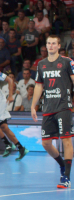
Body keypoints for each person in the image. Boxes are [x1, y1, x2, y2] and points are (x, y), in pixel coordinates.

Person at [32, 35, 74, 189]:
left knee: (66, 140)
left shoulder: (67, 62)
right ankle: (62, 165)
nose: (50, 46)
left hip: (64, 106)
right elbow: (38, 86)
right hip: (48, 108)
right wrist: (33, 106)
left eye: (54, 43)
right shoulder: (41, 64)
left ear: (58, 45)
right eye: (48, 43)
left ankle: (67, 177)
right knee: (46, 143)